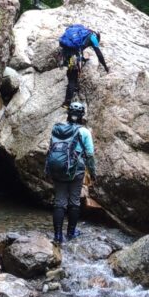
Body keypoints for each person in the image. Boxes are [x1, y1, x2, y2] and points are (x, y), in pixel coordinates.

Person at [44, 102, 97, 244]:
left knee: (59, 202)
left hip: (58, 170)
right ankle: (71, 232)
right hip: (76, 171)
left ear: (68, 114)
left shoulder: (58, 129)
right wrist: (93, 173)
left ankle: (57, 236)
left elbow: (51, 149)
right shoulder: (84, 132)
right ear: (82, 116)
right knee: (74, 202)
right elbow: (90, 154)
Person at [58, 24, 109, 108]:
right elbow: (99, 54)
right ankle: (67, 103)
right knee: (72, 79)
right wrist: (105, 66)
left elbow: (69, 28)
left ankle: (75, 86)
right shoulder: (93, 38)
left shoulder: (82, 30)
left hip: (64, 52)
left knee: (72, 71)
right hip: (73, 55)